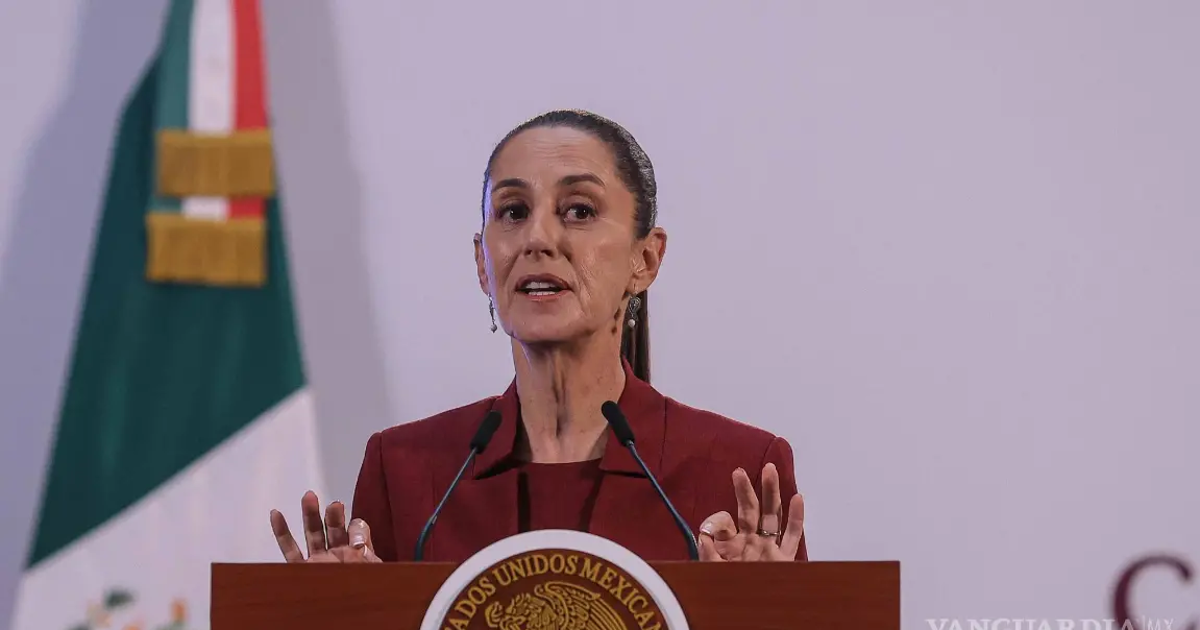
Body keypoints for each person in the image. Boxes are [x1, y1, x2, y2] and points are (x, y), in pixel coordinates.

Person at [269, 110, 807, 564]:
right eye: (513, 212)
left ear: (645, 259)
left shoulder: (736, 468)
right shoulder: (405, 470)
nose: (538, 237)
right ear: (483, 263)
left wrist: (763, 614)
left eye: (579, 211)